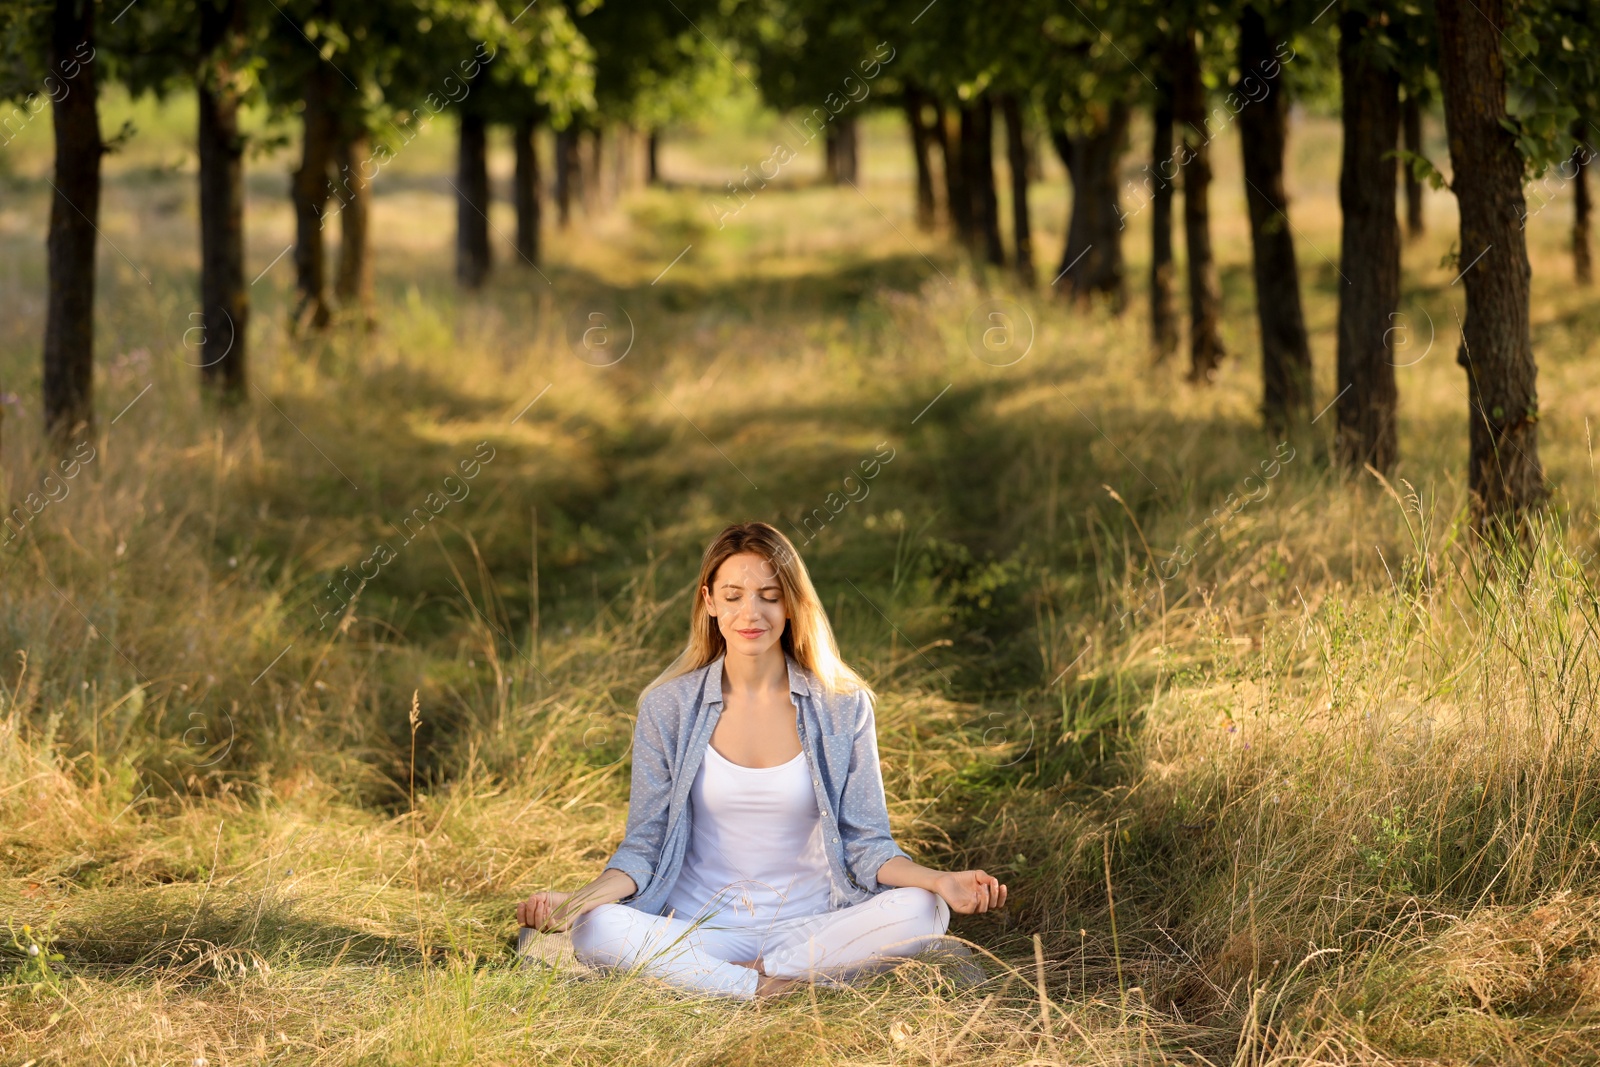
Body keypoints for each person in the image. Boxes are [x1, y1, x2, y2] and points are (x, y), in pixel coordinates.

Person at [515, 520, 1008, 999]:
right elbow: (645, 847)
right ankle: (763, 986)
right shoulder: (667, 707)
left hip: (812, 927)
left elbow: (868, 844)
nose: (751, 613)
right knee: (596, 928)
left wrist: (940, 880)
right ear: (709, 602)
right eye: (733, 596)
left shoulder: (843, 705)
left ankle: (728, 979)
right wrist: (576, 903)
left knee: (923, 910)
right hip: (697, 928)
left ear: (792, 604)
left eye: (769, 596)